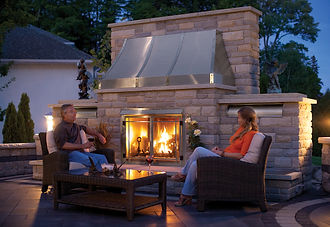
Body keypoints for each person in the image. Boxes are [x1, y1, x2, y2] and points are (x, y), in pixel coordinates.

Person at [172, 106, 258, 206]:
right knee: (195, 164)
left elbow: (241, 155)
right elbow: (234, 148)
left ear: (246, 119)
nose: (238, 120)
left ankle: (182, 174)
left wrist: (222, 154)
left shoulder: (250, 134)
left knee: (198, 150)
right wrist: (220, 150)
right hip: (224, 157)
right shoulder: (242, 130)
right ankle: (186, 196)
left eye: (239, 118)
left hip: (229, 163)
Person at [54, 104, 108, 172]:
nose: (75, 113)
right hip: (69, 154)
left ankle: (108, 176)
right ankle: (100, 179)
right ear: (64, 114)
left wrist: (99, 135)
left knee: (102, 158)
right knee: (93, 161)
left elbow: (85, 129)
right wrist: (83, 146)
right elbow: (63, 145)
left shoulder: (74, 126)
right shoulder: (61, 128)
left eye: (75, 111)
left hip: (80, 152)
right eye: (71, 111)